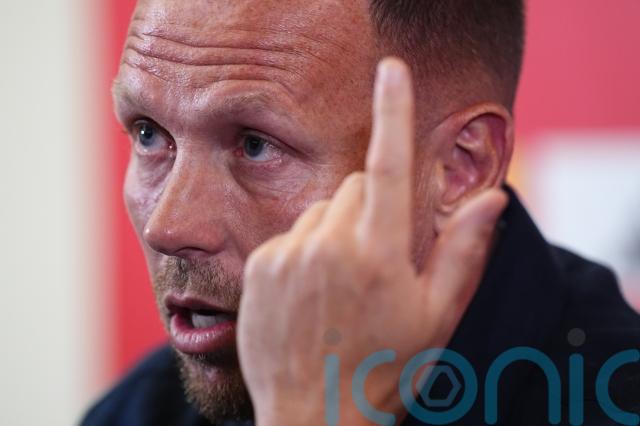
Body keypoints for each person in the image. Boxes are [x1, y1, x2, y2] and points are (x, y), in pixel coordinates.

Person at [82, 0, 640, 425]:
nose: (167, 226)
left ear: (459, 167)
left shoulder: (613, 394)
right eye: (149, 134)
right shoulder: (137, 410)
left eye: (255, 145)